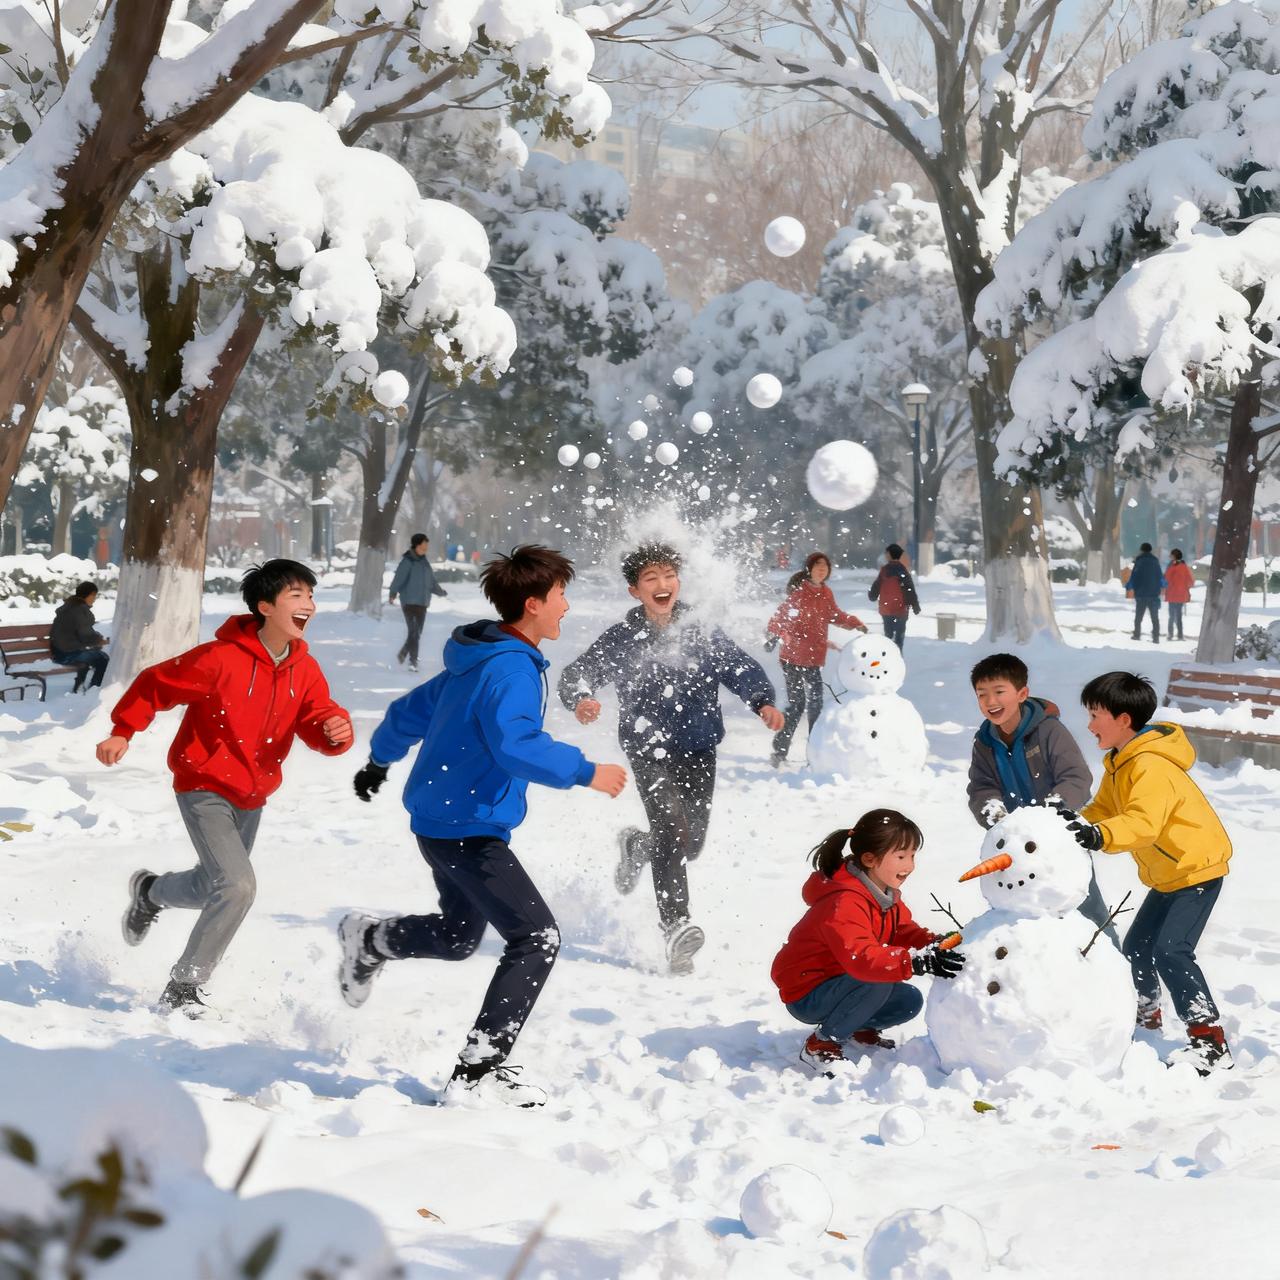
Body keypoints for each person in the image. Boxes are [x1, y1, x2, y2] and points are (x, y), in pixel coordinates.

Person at [338, 546, 627, 1108]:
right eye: (561, 595)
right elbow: (515, 746)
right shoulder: (510, 668)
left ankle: (371, 939)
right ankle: (479, 1071)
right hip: (469, 829)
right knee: (536, 937)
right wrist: (586, 771)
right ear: (533, 604)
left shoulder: (477, 655)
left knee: (457, 937)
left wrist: (379, 760)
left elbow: (410, 713)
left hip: (441, 820)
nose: (566, 606)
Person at [97, 560, 353, 1018]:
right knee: (236, 886)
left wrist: (334, 730)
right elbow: (155, 684)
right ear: (265, 606)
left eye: (311, 597)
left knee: (210, 885)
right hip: (204, 784)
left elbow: (315, 717)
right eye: (297, 596)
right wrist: (123, 729)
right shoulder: (219, 659)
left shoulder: (304, 668)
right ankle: (184, 986)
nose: (309, 605)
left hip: (253, 794)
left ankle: (150, 892)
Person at [559, 542, 783, 974]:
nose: (662, 585)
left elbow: (739, 666)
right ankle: (676, 926)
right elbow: (580, 672)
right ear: (634, 591)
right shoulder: (625, 639)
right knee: (671, 827)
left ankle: (636, 846)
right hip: (649, 750)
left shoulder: (701, 630)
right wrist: (582, 698)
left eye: (668, 576)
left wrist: (761, 701)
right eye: (651, 579)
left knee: (690, 842)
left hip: (699, 747)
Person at [1057, 672, 1233, 1074]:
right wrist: (1071, 823)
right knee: (1137, 948)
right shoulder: (1120, 763)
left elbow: (1142, 822)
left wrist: (1099, 836)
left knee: (1172, 951)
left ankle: (1209, 1040)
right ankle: (1146, 1012)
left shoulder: (1150, 765)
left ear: (1122, 719)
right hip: (1170, 874)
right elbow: (1103, 809)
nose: (1089, 724)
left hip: (1197, 872)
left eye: (1095, 714)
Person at [771, 809, 966, 1074]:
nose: (909, 865)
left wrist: (936, 944)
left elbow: (903, 930)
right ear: (870, 859)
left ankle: (855, 1026)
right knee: (878, 978)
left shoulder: (884, 895)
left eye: (912, 856)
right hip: (808, 992)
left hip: (843, 982)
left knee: (908, 1000)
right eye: (900, 856)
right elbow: (861, 959)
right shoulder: (844, 902)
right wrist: (916, 962)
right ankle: (821, 1045)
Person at [967, 653, 1116, 942]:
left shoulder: (1049, 731)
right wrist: (993, 813)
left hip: (1057, 840)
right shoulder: (985, 742)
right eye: (982, 694)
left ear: (1022, 693)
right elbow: (981, 786)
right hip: (1014, 848)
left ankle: (1113, 965)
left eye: (999, 692)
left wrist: (1052, 813)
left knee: (1084, 906)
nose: (990, 701)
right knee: (1017, 907)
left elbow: (1076, 776)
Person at [765, 552, 866, 767]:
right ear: (809, 569)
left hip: (814, 657)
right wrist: (778, 634)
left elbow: (835, 615)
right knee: (797, 704)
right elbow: (781, 617)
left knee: (816, 705)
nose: (822, 569)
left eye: (825, 566)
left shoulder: (826, 593)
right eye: (817, 565)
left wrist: (854, 622)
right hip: (793, 658)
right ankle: (780, 751)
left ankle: (815, 753)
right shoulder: (800, 593)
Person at [388, 533, 447, 672]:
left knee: (417, 633)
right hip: (409, 602)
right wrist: (393, 593)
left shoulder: (424, 563)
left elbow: (431, 582)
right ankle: (412, 661)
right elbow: (399, 579)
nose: (426, 546)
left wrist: (440, 591)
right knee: (413, 632)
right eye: (424, 544)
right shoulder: (408, 561)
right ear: (417, 545)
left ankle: (403, 653)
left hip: (422, 602)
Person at [50, 580, 109, 691]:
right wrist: (99, 640)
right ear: (89, 595)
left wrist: (96, 640)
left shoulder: (70, 607)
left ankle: (78, 688)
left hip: (59, 651)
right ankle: (94, 690)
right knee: (103, 659)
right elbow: (85, 635)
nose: (94, 599)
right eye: (94, 595)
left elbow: (81, 633)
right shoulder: (79, 610)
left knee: (90, 657)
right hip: (67, 654)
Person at [868, 543, 920, 650]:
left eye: (886, 553)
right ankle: (898, 657)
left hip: (886, 609)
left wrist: (872, 595)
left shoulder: (884, 571)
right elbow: (910, 589)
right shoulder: (903, 570)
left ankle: (888, 656)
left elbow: (877, 585)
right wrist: (915, 605)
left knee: (888, 635)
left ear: (889, 555)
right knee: (899, 637)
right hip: (901, 610)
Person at [1126, 542, 1164, 643]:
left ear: (1142, 550)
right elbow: (1160, 576)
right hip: (1153, 594)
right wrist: (1163, 585)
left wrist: (1129, 586)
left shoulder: (1139, 561)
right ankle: (1156, 637)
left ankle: (1137, 634)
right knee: (1155, 618)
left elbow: (1134, 576)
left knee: (1138, 617)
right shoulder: (1155, 562)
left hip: (1141, 594)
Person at [1164, 548, 1194, 641]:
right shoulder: (1185, 567)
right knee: (1179, 616)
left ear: (1174, 556)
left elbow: (1166, 579)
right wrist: (1185, 587)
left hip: (1172, 594)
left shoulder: (1171, 567)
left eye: (1171, 555)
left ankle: (1170, 634)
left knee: (1171, 616)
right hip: (1181, 595)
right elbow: (1190, 581)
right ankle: (1180, 635)